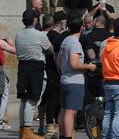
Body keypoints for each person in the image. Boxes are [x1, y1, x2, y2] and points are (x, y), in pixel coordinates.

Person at [15, 9, 53, 139]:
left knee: (24, 100)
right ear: (35, 20)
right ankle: (27, 131)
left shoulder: (18, 35)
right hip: (36, 68)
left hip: (22, 67)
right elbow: (50, 49)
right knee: (32, 100)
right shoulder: (40, 35)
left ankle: (23, 130)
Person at [58, 17, 96, 139]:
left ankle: (62, 135)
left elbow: (58, 61)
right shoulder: (75, 43)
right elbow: (74, 64)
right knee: (71, 111)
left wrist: (63, 71)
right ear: (81, 28)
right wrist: (88, 66)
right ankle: (68, 136)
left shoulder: (66, 40)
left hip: (65, 79)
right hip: (74, 81)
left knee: (64, 110)